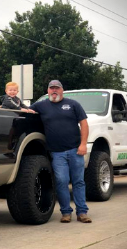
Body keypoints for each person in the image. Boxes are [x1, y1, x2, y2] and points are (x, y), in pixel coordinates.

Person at [30, 80, 92, 223]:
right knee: (61, 182)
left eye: (57, 88)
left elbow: (84, 124)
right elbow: (26, 112)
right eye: (51, 88)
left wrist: (83, 144)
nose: (54, 91)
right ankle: (66, 213)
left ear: (62, 90)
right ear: (48, 91)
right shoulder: (41, 105)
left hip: (75, 150)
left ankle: (82, 212)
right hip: (56, 153)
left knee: (78, 182)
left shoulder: (73, 104)